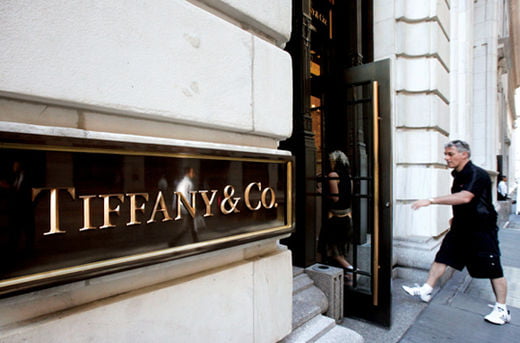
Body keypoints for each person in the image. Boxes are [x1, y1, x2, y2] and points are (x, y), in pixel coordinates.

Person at [402, 140, 510, 325]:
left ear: (464, 155)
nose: (446, 157)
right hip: (461, 225)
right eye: (446, 153)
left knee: (493, 268)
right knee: (443, 256)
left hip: (481, 228)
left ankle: (502, 309)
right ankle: (426, 289)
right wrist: (455, 217)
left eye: (450, 154)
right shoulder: (458, 174)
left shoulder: (477, 173)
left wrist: (431, 200)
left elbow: (465, 197)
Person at [319, 150, 355, 283]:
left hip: (335, 217)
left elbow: (335, 198)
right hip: (347, 217)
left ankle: (351, 271)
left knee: (333, 249)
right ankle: (348, 273)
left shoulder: (333, 175)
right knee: (341, 248)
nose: (330, 163)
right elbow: (347, 196)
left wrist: (322, 192)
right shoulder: (349, 177)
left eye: (331, 161)